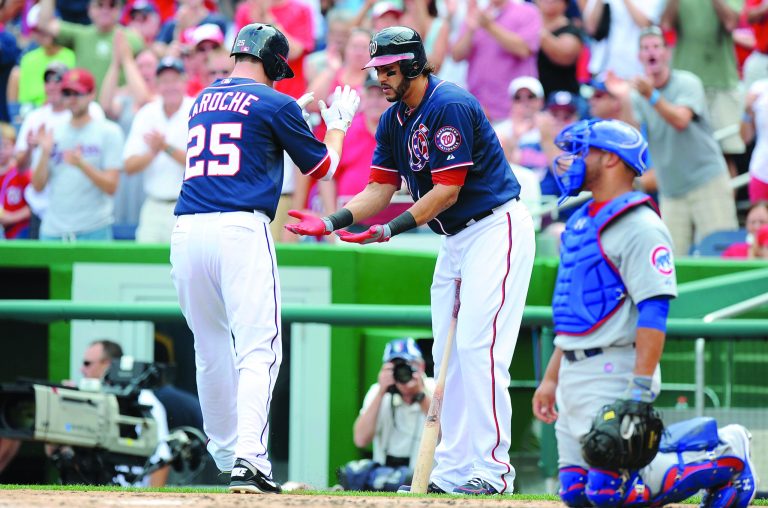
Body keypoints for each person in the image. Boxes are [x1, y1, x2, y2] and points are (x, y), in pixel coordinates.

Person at [286, 26, 536, 495]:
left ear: (414, 65)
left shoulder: (450, 104)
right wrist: (332, 221)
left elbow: (448, 189)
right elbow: (380, 189)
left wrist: (390, 229)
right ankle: (455, 471)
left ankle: (492, 471)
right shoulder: (394, 119)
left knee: (480, 351)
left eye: (387, 68)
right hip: (456, 239)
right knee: (448, 356)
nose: (379, 76)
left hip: (494, 227)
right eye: (377, 68)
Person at [169, 23, 360, 495]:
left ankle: (227, 452)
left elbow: (252, 128)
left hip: (187, 229)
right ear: (274, 64)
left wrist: (301, 116)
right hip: (239, 228)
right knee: (258, 348)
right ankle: (250, 460)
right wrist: (335, 125)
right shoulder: (275, 101)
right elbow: (323, 167)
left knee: (210, 348)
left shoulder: (203, 99)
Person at [530, 118, 749, 507]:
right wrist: (551, 377)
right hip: (572, 374)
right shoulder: (581, 222)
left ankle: (726, 454)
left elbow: (654, 309)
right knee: (577, 495)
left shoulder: (641, 225)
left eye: (585, 151)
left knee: (609, 493)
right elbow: (574, 316)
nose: (574, 160)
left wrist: (641, 387)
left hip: (614, 368)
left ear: (612, 160)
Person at [618, 26, 738, 256]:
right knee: (671, 262)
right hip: (671, 190)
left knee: (722, 254)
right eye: (645, 48)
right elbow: (630, 134)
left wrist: (650, 95)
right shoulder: (637, 96)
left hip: (707, 181)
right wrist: (623, 96)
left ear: (666, 53)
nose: (651, 52)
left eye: (656, 46)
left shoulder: (687, 82)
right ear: (640, 57)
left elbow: (680, 120)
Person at [31, 68, 124, 241]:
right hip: (53, 230)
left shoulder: (109, 132)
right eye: (67, 93)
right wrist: (44, 153)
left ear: (91, 95)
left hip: (94, 228)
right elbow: (37, 187)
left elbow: (111, 186)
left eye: (78, 93)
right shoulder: (53, 133)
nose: (72, 99)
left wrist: (82, 164)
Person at [340, 338, 435, 492]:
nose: (402, 372)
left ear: (421, 366)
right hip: (385, 479)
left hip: (425, 480)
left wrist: (420, 396)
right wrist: (381, 392)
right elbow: (360, 440)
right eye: (396, 367)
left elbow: (448, 434)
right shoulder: (378, 392)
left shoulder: (434, 388)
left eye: (408, 365)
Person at [76, 339, 172, 487]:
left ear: (107, 364)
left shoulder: (143, 399)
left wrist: (152, 501)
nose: (82, 370)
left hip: (132, 494)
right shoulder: (87, 398)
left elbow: (161, 460)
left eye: (87, 363)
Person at [123, 57, 192, 242]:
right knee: (145, 263)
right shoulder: (147, 113)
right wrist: (153, 152)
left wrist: (165, 147)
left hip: (188, 206)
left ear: (185, 81)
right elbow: (129, 166)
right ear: (157, 84)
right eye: (164, 81)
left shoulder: (196, 109)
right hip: (153, 204)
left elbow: (200, 165)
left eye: (175, 80)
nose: (170, 86)